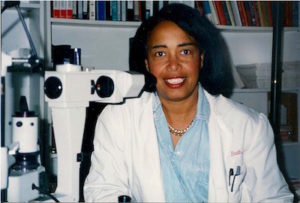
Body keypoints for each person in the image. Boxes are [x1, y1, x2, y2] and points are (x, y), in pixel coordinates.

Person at [84, 3, 293, 202]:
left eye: (185, 52)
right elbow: (103, 191)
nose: (173, 65)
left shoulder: (249, 126)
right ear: (147, 63)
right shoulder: (117, 119)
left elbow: (273, 198)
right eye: (160, 53)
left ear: (201, 58)